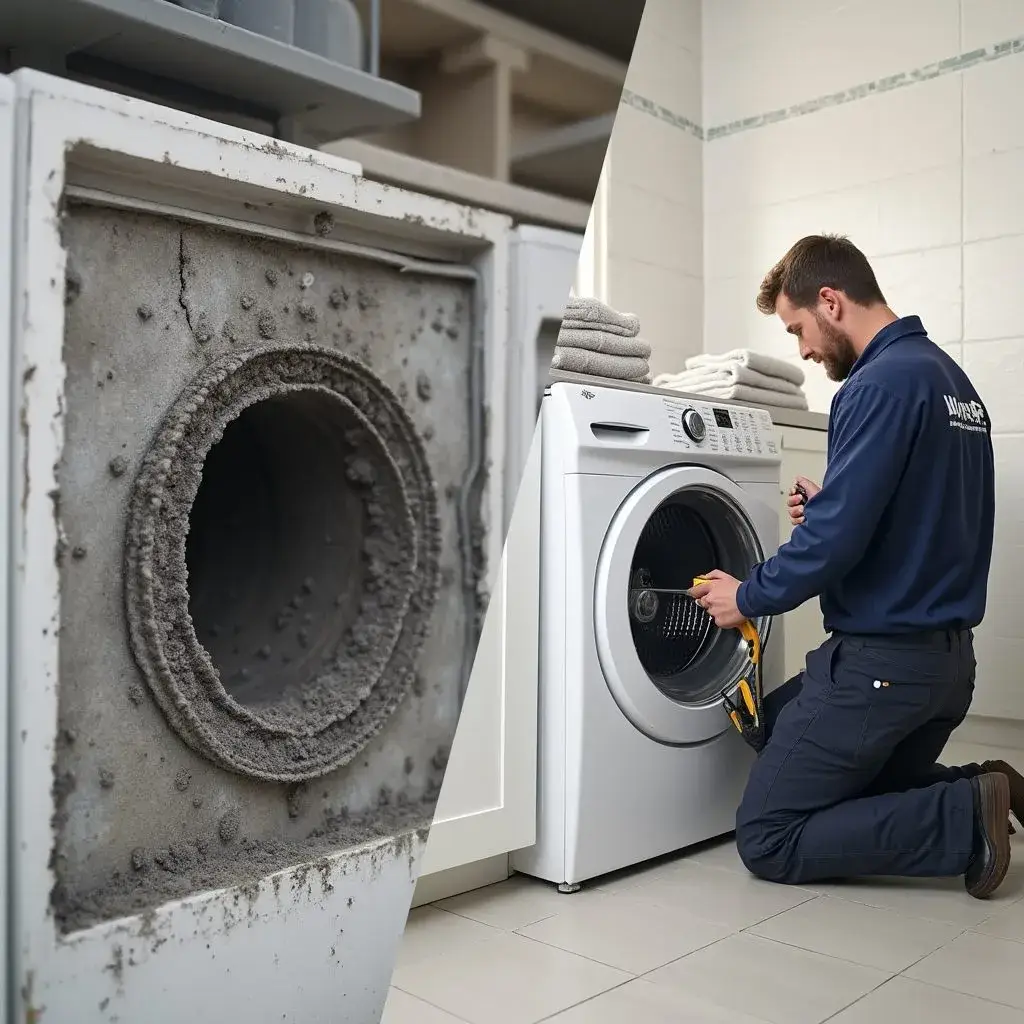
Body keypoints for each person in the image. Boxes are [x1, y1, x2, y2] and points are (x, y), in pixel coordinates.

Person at [689, 234, 1023, 899]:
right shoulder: (952, 384)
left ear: (831, 302)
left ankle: (962, 819)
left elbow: (837, 546)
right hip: (947, 668)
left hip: (884, 668)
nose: (804, 350)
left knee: (767, 835)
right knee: (780, 720)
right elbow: (925, 516)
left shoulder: (877, 385)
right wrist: (833, 505)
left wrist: (748, 596)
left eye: (798, 329)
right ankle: (982, 787)